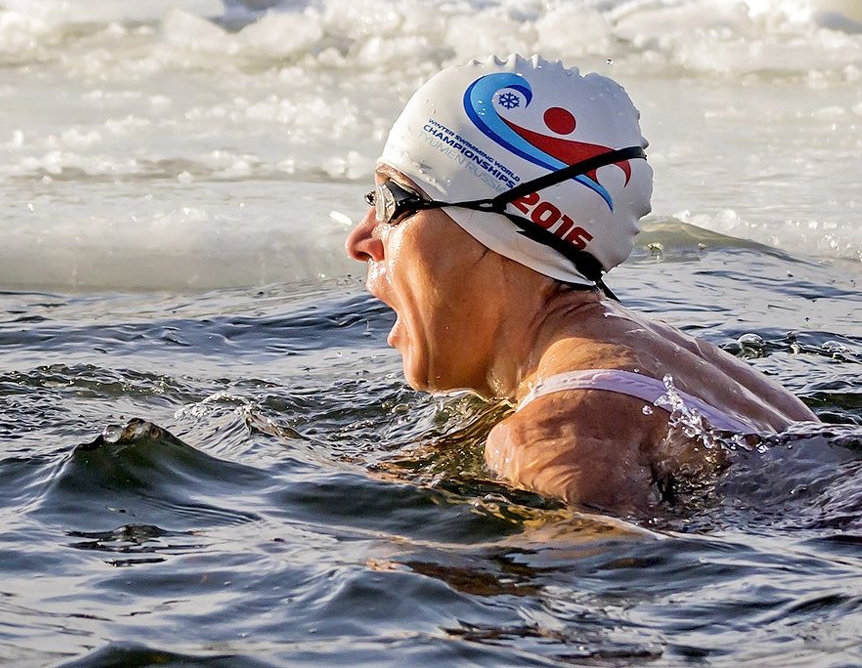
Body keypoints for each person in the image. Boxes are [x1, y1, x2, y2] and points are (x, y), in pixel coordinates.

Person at [346, 55, 818, 516]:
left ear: (495, 221)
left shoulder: (550, 440)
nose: (361, 239)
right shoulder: (682, 366)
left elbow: (620, 583)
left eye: (392, 201)